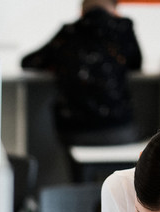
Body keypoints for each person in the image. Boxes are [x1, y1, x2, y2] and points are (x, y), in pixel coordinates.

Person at [21, 0, 143, 149]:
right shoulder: (123, 29)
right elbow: (136, 64)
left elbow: (30, 62)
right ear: (115, 8)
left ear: (83, 9)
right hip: (118, 126)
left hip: (76, 129)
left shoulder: (69, 33)